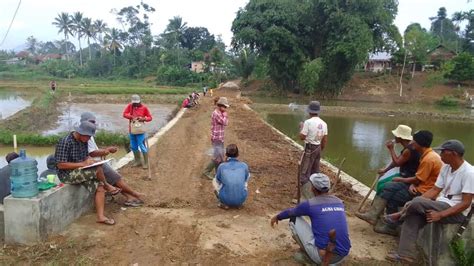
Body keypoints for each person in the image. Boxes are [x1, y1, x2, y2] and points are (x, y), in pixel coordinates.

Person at [386, 140, 473, 263]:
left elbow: (465, 203)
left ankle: (399, 215)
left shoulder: (469, 173)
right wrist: (416, 201)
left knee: (416, 203)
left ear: (453, 153)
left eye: (443, 152)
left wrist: (440, 215)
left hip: (455, 212)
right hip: (440, 204)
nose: (440, 154)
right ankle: (406, 255)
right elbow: (434, 190)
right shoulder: (446, 168)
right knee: (413, 214)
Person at [358, 130, 442, 236]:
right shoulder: (426, 155)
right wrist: (413, 183)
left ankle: (383, 221)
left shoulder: (427, 159)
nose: (412, 143)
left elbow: (415, 176)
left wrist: (402, 180)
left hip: (423, 192)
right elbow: (421, 177)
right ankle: (383, 221)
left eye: (414, 141)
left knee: (390, 190)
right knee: (390, 191)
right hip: (417, 185)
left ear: (419, 143)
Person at [271, 173, 351, 265]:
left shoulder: (310, 204)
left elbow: (291, 212)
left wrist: (277, 217)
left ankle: (310, 257)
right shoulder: (339, 202)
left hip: (324, 257)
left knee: (293, 218)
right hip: (343, 255)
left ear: (312, 188)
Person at [55, 121, 120, 225]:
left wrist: (90, 161)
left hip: (80, 171)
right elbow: (60, 165)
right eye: (88, 136)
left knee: (100, 186)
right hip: (67, 174)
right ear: (81, 133)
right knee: (98, 169)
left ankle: (101, 217)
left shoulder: (83, 141)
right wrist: (82, 164)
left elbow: (85, 156)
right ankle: (108, 185)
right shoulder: (65, 142)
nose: (89, 139)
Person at [81, 112, 144, 207]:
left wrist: (105, 151)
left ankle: (130, 197)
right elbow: (91, 152)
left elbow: (93, 150)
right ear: (84, 122)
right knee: (116, 178)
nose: (93, 124)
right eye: (91, 122)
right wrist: (107, 151)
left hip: (97, 162)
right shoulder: (85, 134)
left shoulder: (88, 133)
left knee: (113, 180)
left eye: (94, 122)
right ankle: (134, 193)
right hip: (94, 164)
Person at [375, 125, 420, 194]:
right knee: (381, 183)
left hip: (408, 177)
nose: (394, 137)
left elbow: (397, 163)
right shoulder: (408, 146)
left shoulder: (408, 149)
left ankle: (381, 203)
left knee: (382, 186)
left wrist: (391, 149)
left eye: (396, 135)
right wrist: (385, 170)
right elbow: (398, 160)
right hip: (403, 174)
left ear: (400, 137)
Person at [298, 101, 328, 201]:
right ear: (318, 111)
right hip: (318, 148)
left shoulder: (308, 122)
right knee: (315, 172)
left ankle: (307, 198)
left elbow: (302, 137)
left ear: (309, 111)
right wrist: (320, 150)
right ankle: (318, 196)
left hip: (309, 149)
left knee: (304, 173)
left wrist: (301, 128)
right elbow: (324, 140)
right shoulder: (324, 123)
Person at [213, 144, 250, 209]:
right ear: (238, 154)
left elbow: (218, 180)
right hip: (241, 199)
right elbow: (246, 179)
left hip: (225, 199)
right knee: (245, 180)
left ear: (226, 154)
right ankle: (239, 203)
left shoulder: (222, 166)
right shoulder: (244, 165)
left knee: (214, 180)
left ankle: (224, 203)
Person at [122, 94, 153, 169]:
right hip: (132, 130)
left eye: (137, 102)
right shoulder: (130, 106)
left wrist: (143, 119)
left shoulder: (144, 108)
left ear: (140, 101)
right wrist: (131, 117)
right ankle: (137, 161)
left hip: (140, 130)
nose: (135, 104)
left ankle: (146, 163)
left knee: (141, 146)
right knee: (133, 146)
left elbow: (150, 117)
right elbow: (124, 114)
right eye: (134, 103)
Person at [202, 97, 229, 179]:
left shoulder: (220, 113)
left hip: (220, 138)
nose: (226, 109)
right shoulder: (216, 113)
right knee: (217, 156)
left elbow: (226, 122)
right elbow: (225, 122)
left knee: (220, 156)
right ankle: (206, 172)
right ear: (220, 105)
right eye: (225, 107)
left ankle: (218, 173)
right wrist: (225, 115)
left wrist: (225, 115)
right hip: (217, 138)